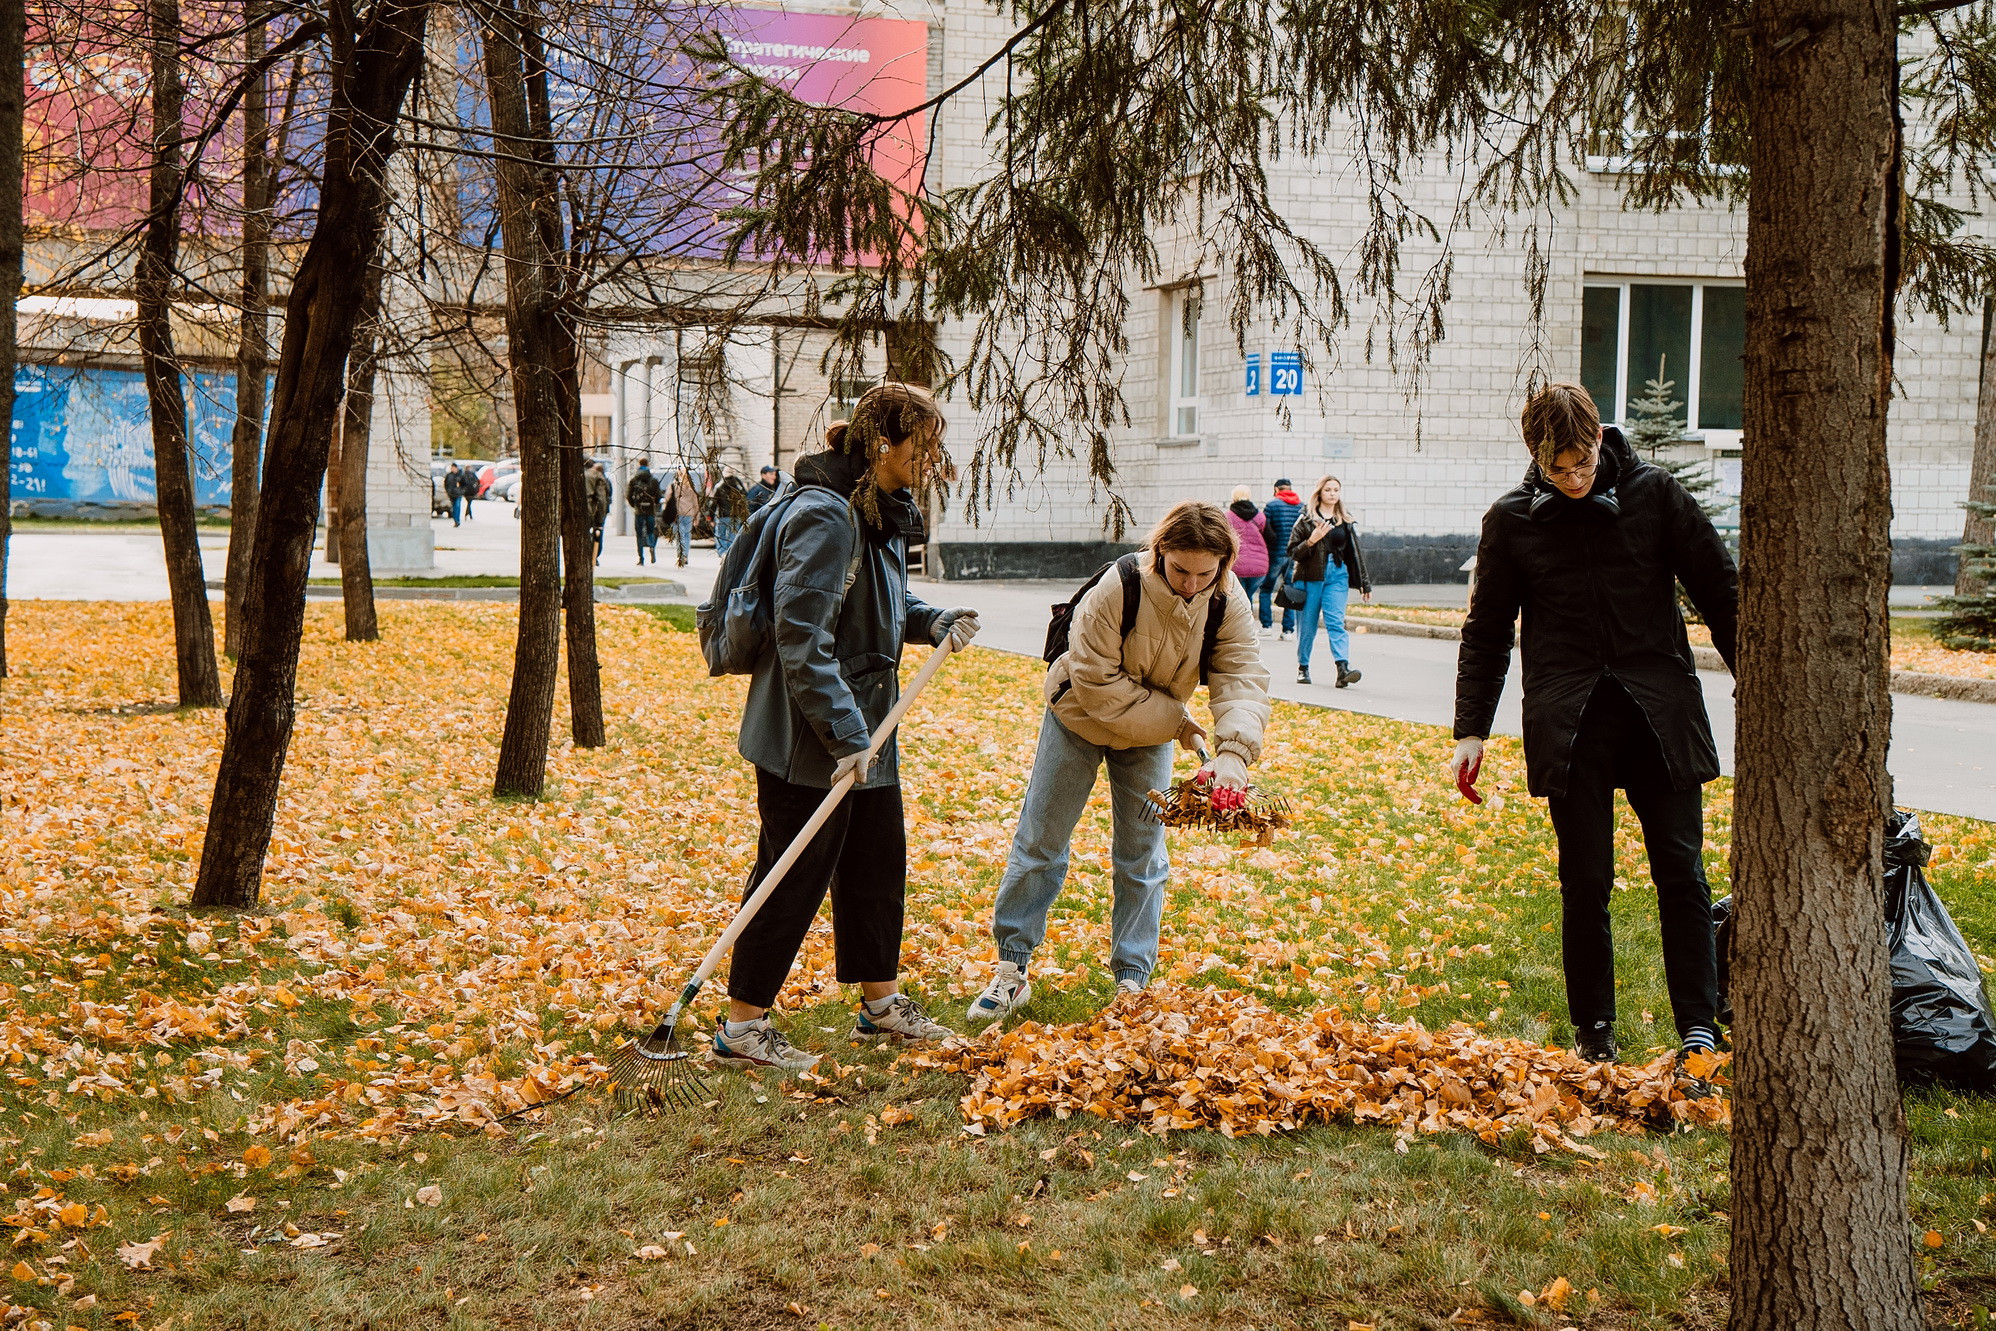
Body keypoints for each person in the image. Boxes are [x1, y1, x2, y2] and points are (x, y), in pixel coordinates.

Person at [1450, 383, 1737, 1070]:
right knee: (1585, 879)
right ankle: (1595, 1032)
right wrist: (1471, 729)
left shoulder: (1655, 494)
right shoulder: (1512, 521)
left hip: (1658, 711)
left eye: (1583, 463)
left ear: (1600, 443)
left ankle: (1699, 1026)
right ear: (1536, 459)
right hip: (1570, 718)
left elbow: (1719, 588)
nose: (1575, 479)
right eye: (1560, 470)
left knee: (1682, 871)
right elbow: (1486, 631)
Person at [720, 384, 983, 1071]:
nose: (933, 458)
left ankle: (880, 1004)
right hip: (811, 735)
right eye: (923, 444)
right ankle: (742, 1027)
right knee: (792, 871)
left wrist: (931, 621)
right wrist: (846, 735)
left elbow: (881, 600)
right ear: (882, 445)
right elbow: (803, 638)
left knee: (875, 865)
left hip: (866, 727)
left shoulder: (872, 510)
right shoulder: (825, 516)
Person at [967, 501, 1270, 1022]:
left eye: (1206, 572)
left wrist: (1234, 756)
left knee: (1143, 854)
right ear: (1158, 554)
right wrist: (1177, 722)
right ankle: (1011, 971)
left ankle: (1132, 980)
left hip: (1148, 735)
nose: (1192, 584)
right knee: (1041, 841)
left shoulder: (1225, 598)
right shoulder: (1119, 585)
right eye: (1180, 570)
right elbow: (1097, 683)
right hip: (1078, 717)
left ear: (1223, 564)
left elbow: (1240, 674)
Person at [1286, 475, 1372, 687]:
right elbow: (1293, 552)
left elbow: (1355, 552)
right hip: (1310, 577)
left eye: (1336, 490)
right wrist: (1312, 540)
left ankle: (1342, 669)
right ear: (1319, 494)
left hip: (1338, 575)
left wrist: (1364, 583)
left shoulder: (1345, 520)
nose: (1332, 494)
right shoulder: (1305, 520)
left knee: (1336, 622)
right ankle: (1303, 667)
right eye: (1328, 490)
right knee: (1307, 625)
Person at [1261, 479, 1303, 638]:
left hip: (1275, 553)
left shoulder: (1271, 506)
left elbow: (1266, 529)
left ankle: (1267, 626)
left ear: (1276, 489)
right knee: (1290, 590)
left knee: (1266, 590)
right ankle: (1287, 630)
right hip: (1294, 555)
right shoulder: (1301, 507)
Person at [1226, 485, 1271, 621]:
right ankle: (1248, 624)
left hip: (1237, 564)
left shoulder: (1227, 516)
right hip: (1259, 566)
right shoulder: (1259, 516)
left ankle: (1244, 625)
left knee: (1240, 598)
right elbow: (1268, 536)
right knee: (1247, 596)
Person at [627, 458, 661, 564]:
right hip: (650, 509)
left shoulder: (634, 480)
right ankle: (651, 546)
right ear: (648, 465)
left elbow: (628, 495)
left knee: (640, 534)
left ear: (639, 464)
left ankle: (641, 558)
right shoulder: (653, 480)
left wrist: (634, 505)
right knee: (651, 531)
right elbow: (658, 495)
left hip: (639, 510)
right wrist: (655, 504)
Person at [666, 467, 700, 567]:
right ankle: (685, 555)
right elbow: (696, 503)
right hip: (689, 514)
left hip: (678, 514)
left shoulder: (675, 486)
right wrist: (696, 517)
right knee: (687, 536)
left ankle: (680, 555)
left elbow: (668, 498)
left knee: (680, 536)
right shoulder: (691, 488)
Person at [712, 471, 749, 555]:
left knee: (720, 535)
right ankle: (730, 553)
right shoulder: (737, 487)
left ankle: (722, 552)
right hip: (735, 515)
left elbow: (714, 503)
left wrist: (710, 516)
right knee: (733, 536)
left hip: (722, 515)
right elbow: (745, 496)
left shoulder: (719, 486)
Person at [585, 461, 612, 563]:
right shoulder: (599, 477)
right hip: (594, 511)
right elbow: (603, 499)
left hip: (584, 511)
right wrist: (601, 517)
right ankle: (594, 556)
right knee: (597, 534)